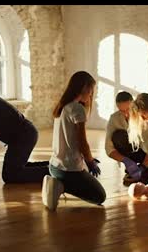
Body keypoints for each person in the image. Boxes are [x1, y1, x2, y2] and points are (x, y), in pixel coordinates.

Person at [42, 71, 106, 211]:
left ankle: (55, 181)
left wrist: (89, 158)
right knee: (100, 196)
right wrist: (90, 162)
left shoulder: (63, 106)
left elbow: (70, 141)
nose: (91, 95)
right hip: (69, 170)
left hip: (54, 166)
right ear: (84, 88)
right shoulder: (78, 109)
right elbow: (83, 142)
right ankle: (60, 186)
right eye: (91, 90)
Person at [105, 91, 148, 186]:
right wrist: (126, 161)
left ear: (134, 105)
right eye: (122, 111)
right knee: (117, 136)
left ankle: (140, 169)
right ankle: (132, 167)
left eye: (128, 109)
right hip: (130, 153)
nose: (126, 114)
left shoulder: (144, 118)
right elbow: (109, 148)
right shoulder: (114, 118)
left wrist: (143, 167)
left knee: (147, 181)